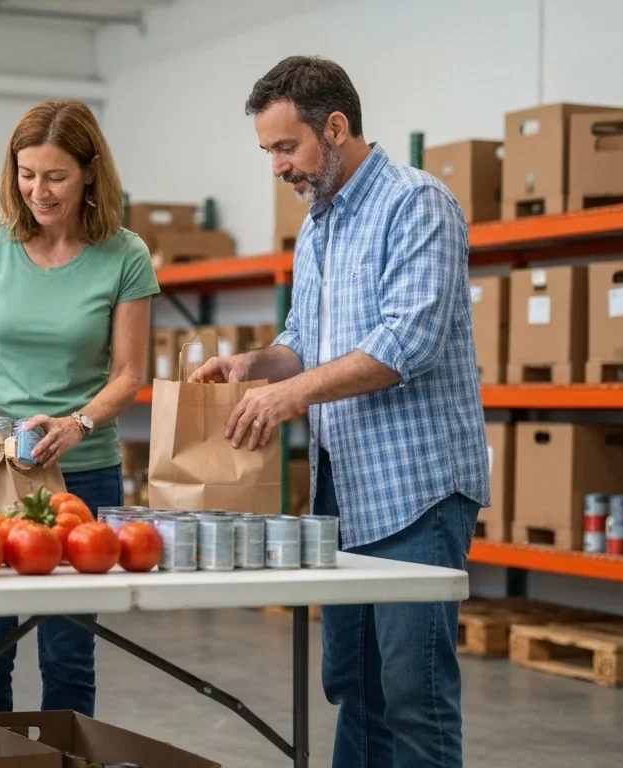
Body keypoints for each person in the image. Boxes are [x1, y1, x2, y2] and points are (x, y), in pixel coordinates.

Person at [189, 56, 488, 767]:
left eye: (285, 147)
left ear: (336, 127)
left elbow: (403, 342)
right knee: (353, 688)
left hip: (415, 492)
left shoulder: (418, 204)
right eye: (267, 152)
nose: (276, 168)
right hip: (343, 495)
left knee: (413, 696)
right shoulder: (318, 228)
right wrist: (254, 366)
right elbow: (306, 340)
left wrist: (290, 395)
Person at [0, 100, 159, 716]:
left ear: (91, 172)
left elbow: (128, 375)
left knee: (69, 651)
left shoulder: (125, 254)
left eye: (55, 176)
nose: (38, 190)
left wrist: (79, 421)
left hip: (82, 470)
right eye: (26, 173)